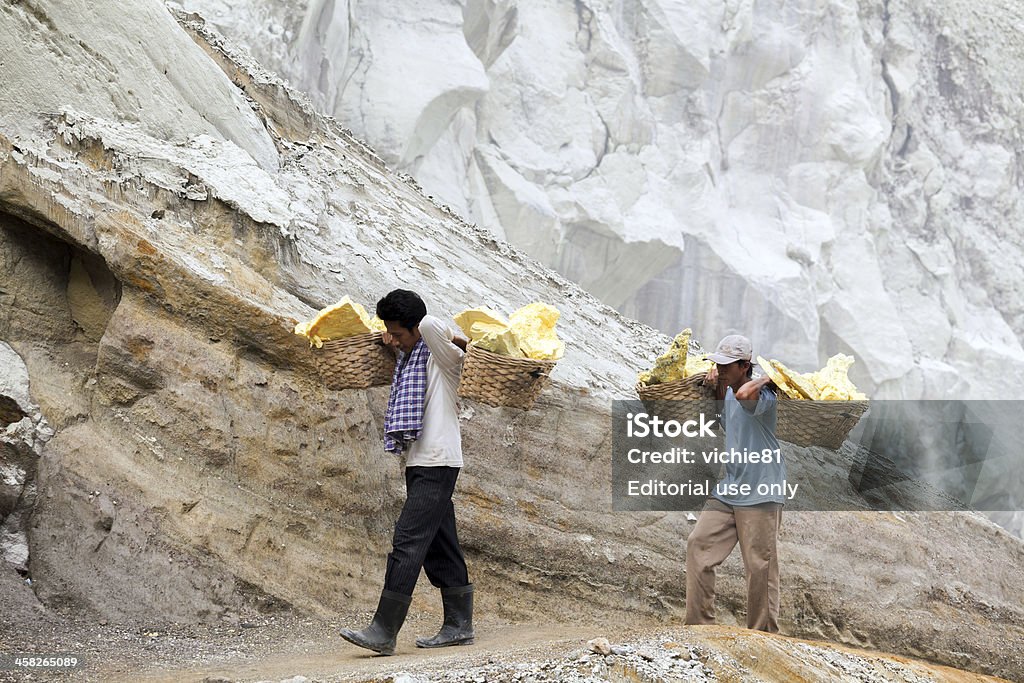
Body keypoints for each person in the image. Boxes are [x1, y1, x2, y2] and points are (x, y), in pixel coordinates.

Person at [340, 289, 475, 655]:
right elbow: (415, 332)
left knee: (407, 541)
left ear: (416, 329)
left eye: (399, 333)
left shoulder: (444, 358)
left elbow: (432, 323)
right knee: (439, 545)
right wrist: (397, 338)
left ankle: (384, 631)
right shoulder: (410, 358)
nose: (393, 340)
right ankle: (459, 625)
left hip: (439, 461)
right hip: (421, 462)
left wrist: (427, 329)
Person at [684, 334, 785, 633]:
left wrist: (769, 378)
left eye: (728, 365)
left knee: (760, 566)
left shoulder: (763, 397)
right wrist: (718, 387)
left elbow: (745, 398)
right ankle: (700, 627)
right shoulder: (729, 391)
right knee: (698, 544)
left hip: (762, 488)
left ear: (745, 366)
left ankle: (763, 636)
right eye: (719, 363)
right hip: (731, 486)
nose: (722, 369)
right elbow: (725, 418)